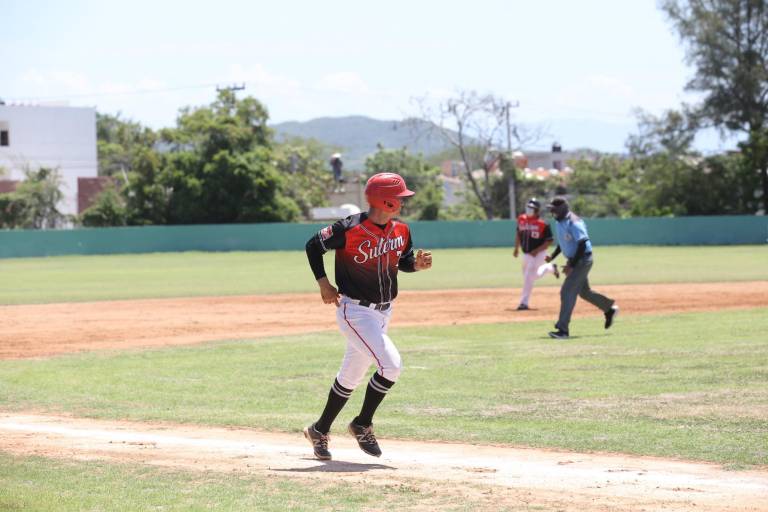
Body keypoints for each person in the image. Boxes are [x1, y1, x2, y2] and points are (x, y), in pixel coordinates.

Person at [303, 172, 433, 460]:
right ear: (384, 199)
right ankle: (361, 423)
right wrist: (323, 282)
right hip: (356, 311)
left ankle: (319, 430)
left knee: (350, 376)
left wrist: (417, 265)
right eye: (399, 197)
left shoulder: (402, 230)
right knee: (391, 366)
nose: (402, 201)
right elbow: (313, 245)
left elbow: (403, 262)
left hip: (385, 311)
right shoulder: (349, 228)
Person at [545, 196, 619, 339]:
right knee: (584, 292)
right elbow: (563, 242)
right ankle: (609, 309)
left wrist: (572, 265)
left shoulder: (574, 222)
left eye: (554, 209)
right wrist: (552, 256)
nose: (552, 212)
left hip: (583, 260)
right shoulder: (560, 222)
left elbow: (582, 243)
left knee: (567, 291)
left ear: (561, 209)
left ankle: (563, 330)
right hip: (576, 260)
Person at [513, 198, 559, 310]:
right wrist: (516, 248)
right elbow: (519, 234)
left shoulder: (543, 224)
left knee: (528, 277)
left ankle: (524, 303)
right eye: (528, 207)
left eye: (532, 208)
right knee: (531, 276)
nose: (529, 209)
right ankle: (550, 268)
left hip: (539, 253)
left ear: (537, 210)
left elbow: (549, 240)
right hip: (527, 254)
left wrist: (537, 250)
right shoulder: (521, 219)